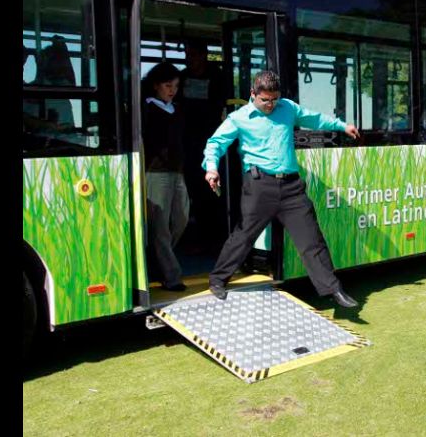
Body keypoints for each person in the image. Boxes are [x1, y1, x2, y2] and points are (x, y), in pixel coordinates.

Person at [203, 70, 361, 307]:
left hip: (291, 187)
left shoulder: (287, 107)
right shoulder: (239, 118)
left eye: (274, 99)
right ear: (253, 94)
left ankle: (333, 289)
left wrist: (341, 126)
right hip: (259, 186)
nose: (270, 104)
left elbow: (314, 118)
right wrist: (212, 168)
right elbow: (215, 143)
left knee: (311, 239)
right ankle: (218, 279)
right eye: (265, 100)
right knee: (244, 236)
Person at [142, 62, 190, 291]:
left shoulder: (177, 109)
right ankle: (172, 277)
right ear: (155, 86)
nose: (172, 90)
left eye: (176, 86)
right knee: (160, 226)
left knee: (181, 217)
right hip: (155, 172)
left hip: (177, 172)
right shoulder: (146, 108)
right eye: (167, 85)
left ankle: (156, 262)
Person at [177, 39, 227, 254]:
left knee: (212, 193)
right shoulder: (181, 77)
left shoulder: (218, 76)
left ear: (204, 55)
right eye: (188, 55)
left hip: (213, 141)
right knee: (193, 193)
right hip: (188, 143)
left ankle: (215, 239)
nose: (191, 59)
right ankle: (198, 238)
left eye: (195, 55)